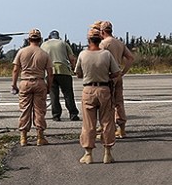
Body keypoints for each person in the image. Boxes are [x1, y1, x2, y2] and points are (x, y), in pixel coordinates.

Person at [74, 28, 121, 164]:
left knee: (89, 123)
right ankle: (107, 153)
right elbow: (116, 72)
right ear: (100, 39)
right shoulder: (106, 54)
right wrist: (107, 76)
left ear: (88, 40)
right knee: (107, 121)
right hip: (104, 88)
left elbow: (78, 73)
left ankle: (88, 154)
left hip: (88, 89)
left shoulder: (83, 55)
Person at [11, 28, 53, 146]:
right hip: (39, 82)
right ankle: (40, 136)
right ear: (40, 40)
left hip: (25, 82)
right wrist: (49, 86)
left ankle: (23, 137)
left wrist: (14, 84)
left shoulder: (21, 52)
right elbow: (50, 73)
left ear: (29, 39)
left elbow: (15, 69)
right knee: (39, 110)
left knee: (25, 109)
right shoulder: (44, 54)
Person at [99, 21, 135, 138]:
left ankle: (108, 130)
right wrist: (123, 72)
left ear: (102, 31)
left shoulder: (103, 44)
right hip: (118, 74)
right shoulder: (119, 43)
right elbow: (130, 58)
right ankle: (122, 129)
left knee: (107, 104)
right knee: (119, 102)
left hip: (108, 76)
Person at [40, 30, 80, 121]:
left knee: (54, 94)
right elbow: (72, 58)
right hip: (64, 70)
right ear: (58, 37)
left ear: (49, 37)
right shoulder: (63, 43)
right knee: (68, 93)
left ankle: (56, 115)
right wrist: (74, 69)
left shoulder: (43, 45)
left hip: (50, 72)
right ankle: (73, 114)